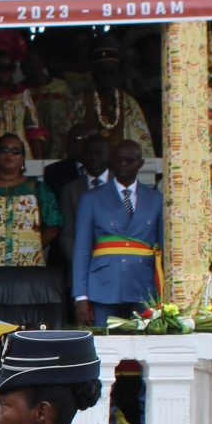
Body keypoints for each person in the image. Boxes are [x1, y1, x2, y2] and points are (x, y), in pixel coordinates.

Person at [0, 134, 63, 337]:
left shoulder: (38, 189)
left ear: (23, 160)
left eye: (15, 151)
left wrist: (33, 246)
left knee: (30, 318)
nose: (10, 155)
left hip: (30, 269)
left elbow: (54, 224)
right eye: (4, 150)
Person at [70, 138, 164, 326]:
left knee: (145, 348)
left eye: (130, 159)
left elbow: (162, 246)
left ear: (141, 163)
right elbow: (81, 249)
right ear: (110, 161)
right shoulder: (91, 198)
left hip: (143, 283)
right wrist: (80, 296)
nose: (124, 163)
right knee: (105, 348)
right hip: (104, 284)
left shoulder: (155, 199)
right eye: (119, 159)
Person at [77, 48, 157, 155]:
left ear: (118, 75)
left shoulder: (129, 103)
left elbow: (143, 142)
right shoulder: (80, 102)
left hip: (123, 165)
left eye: (111, 73)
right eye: (102, 73)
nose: (106, 77)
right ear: (93, 74)